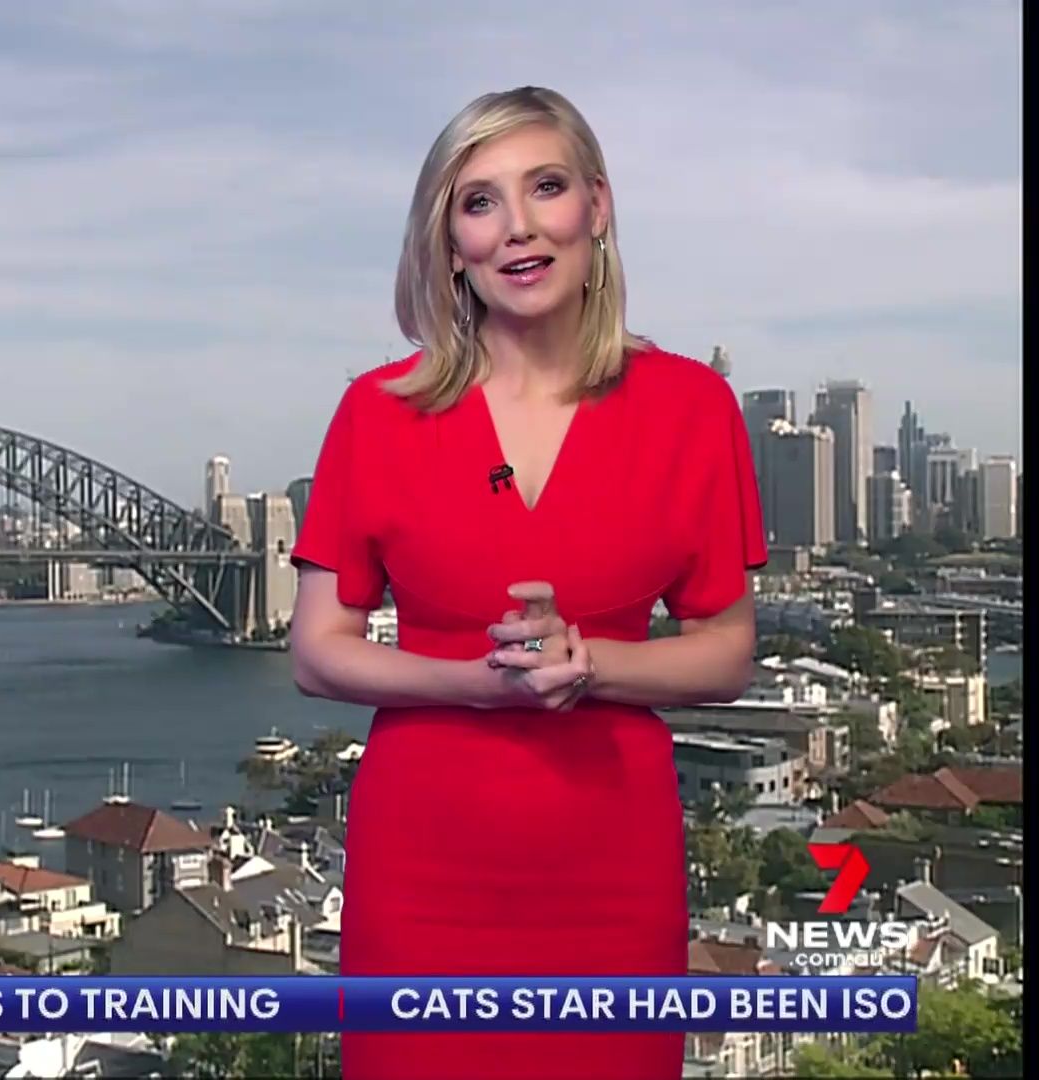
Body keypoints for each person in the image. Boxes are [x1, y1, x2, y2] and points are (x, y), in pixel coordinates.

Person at [287, 86, 765, 1079]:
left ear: (597, 205)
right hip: (422, 871)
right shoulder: (377, 412)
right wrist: (479, 684)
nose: (517, 226)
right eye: (479, 202)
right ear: (449, 242)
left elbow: (727, 653)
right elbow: (318, 653)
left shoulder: (694, 408)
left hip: (612, 868)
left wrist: (590, 665)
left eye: (545, 187)